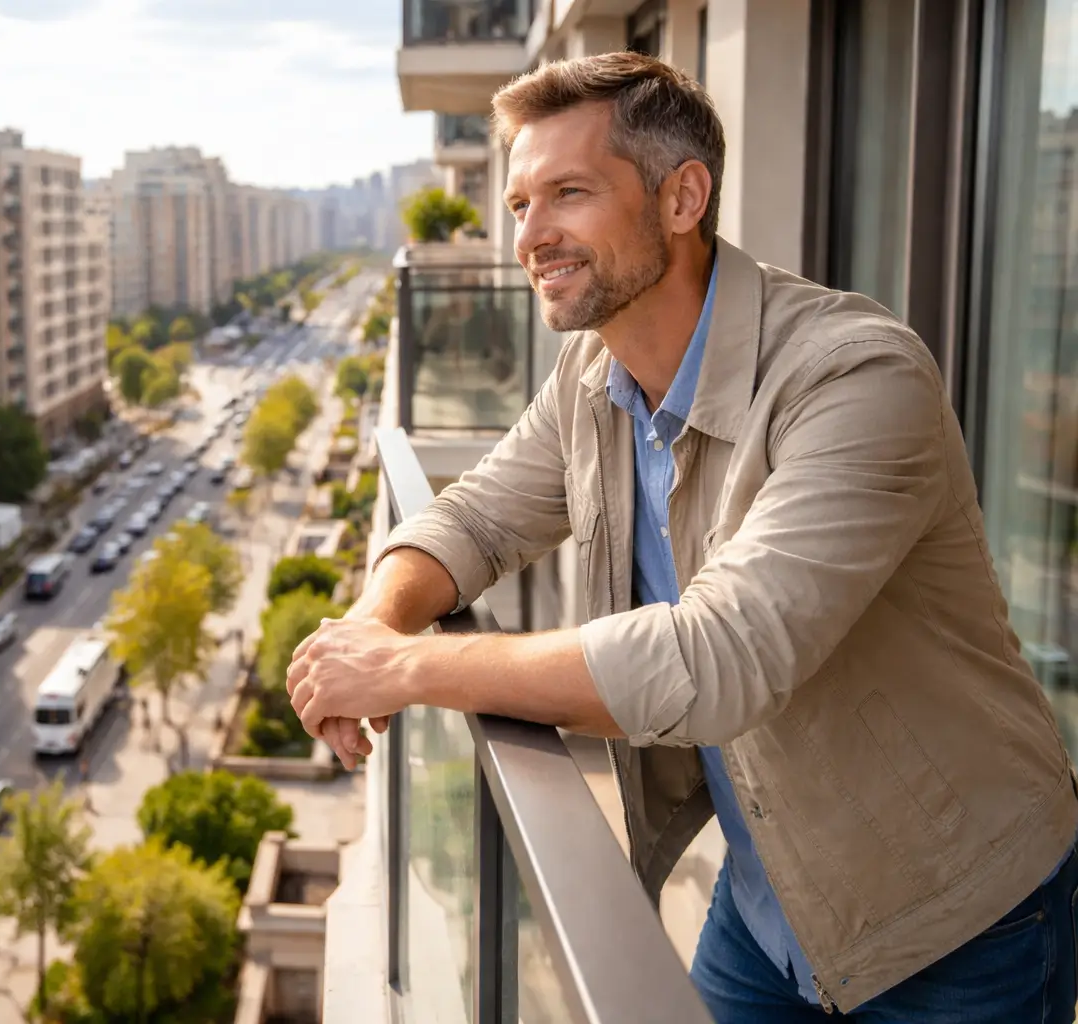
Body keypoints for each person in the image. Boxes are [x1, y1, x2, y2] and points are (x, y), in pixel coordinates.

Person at [284, 51, 1078, 1023]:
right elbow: (476, 516)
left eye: (567, 193)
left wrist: (406, 672)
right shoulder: (594, 378)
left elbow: (721, 655)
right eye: (522, 201)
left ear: (681, 197)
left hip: (959, 922)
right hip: (765, 897)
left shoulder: (858, 378)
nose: (531, 233)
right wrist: (371, 623)